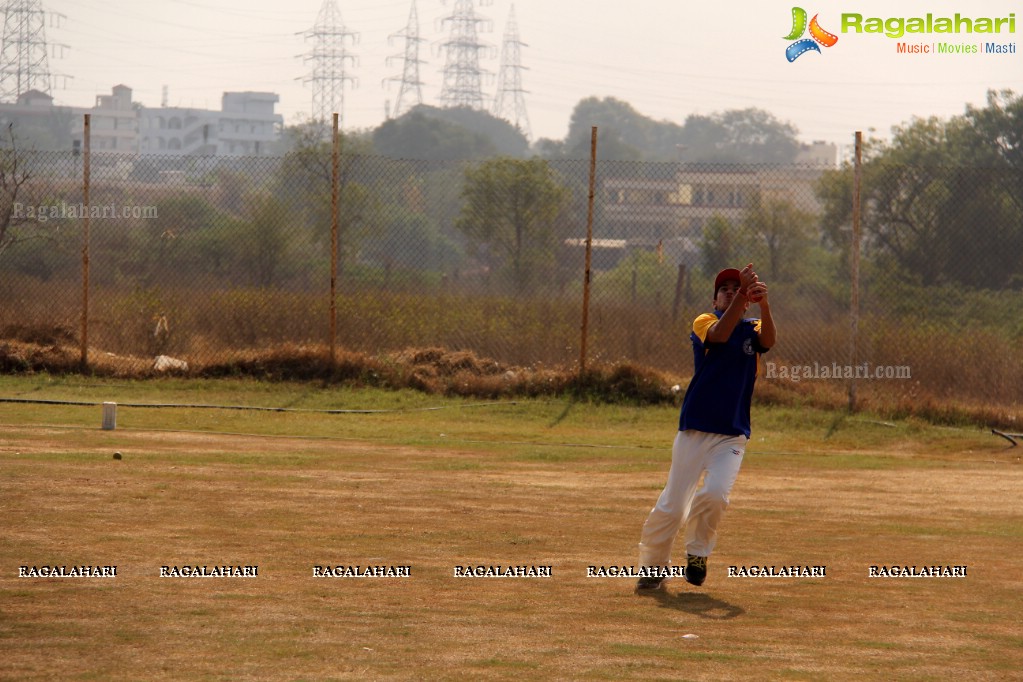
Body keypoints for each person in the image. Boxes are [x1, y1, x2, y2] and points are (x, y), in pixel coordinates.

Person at [636, 263, 776, 591]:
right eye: (724, 290)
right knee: (673, 505)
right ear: (715, 301)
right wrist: (743, 294)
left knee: (715, 495)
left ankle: (697, 553)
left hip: (732, 433)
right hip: (695, 429)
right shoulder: (704, 321)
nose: (730, 292)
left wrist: (765, 305)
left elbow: (768, 340)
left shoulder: (752, 327)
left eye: (734, 288)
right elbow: (719, 336)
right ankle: (653, 566)